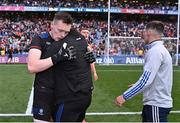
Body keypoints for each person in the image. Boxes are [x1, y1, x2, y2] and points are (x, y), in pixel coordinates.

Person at [27, 12, 95, 122]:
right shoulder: (40, 39)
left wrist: (86, 56)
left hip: (65, 95)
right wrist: (56, 58)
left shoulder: (69, 39)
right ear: (51, 25)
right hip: (44, 93)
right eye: (60, 30)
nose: (63, 34)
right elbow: (32, 67)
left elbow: (84, 46)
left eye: (66, 32)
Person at [115, 21, 173, 122]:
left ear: (149, 32)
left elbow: (145, 81)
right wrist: (136, 84)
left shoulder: (155, 51)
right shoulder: (159, 49)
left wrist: (124, 96)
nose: (143, 34)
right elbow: (155, 77)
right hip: (156, 104)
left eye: (144, 31)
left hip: (156, 104)